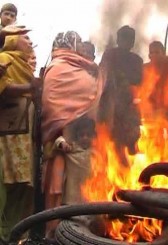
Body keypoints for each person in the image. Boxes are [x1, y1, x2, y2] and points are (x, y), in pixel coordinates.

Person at [41, 31, 104, 238]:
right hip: (60, 144)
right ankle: (56, 233)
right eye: (77, 45)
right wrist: (60, 138)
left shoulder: (85, 70)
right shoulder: (55, 69)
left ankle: (84, 230)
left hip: (83, 141)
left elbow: (94, 103)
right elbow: (50, 108)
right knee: (59, 191)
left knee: (87, 190)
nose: (80, 50)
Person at [0, 33, 39, 241]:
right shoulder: (5, 58)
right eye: (25, 39)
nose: (30, 42)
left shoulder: (24, 64)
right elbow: (4, 89)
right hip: (8, 134)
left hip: (22, 134)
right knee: (7, 183)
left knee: (20, 184)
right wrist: (30, 88)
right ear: (13, 41)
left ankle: (13, 234)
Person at [99, 25, 143, 165]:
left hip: (128, 102)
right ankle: (116, 172)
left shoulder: (136, 60)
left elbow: (139, 79)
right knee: (112, 138)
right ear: (118, 39)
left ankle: (127, 169)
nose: (127, 42)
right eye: (124, 38)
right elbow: (102, 73)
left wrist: (124, 78)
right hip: (110, 102)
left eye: (129, 39)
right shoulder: (110, 55)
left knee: (131, 135)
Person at [53, 116, 96, 205]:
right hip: (72, 193)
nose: (85, 138)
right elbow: (57, 141)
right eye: (82, 135)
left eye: (88, 135)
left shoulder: (96, 152)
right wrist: (62, 144)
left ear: (93, 136)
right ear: (77, 136)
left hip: (91, 193)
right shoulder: (72, 148)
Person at [139, 41, 168, 120]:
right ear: (149, 55)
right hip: (146, 109)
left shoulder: (167, 69)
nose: (154, 55)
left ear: (163, 54)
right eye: (152, 52)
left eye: (157, 52)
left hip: (162, 108)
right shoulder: (143, 68)